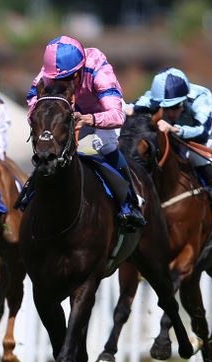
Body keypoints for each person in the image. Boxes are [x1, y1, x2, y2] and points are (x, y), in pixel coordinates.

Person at [24, 35, 146, 230]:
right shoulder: (48, 75)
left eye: (63, 80)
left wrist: (90, 119)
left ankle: (129, 202)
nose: (56, 84)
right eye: (54, 80)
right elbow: (32, 107)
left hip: (102, 112)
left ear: (77, 74)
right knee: (49, 148)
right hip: (68, 114)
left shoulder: (99, 71)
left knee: (104, 145)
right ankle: (30, 193)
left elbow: (117, 116)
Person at [132, 67, 212, 238]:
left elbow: (203, 131)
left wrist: (176, 129)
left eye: (173, 107)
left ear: (184, 101)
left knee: (195, 158)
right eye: (163, 108)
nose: (167, 113)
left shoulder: (201, 97)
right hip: (174, 133)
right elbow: (133, 107)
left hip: (205, 136)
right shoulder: (153, 96)